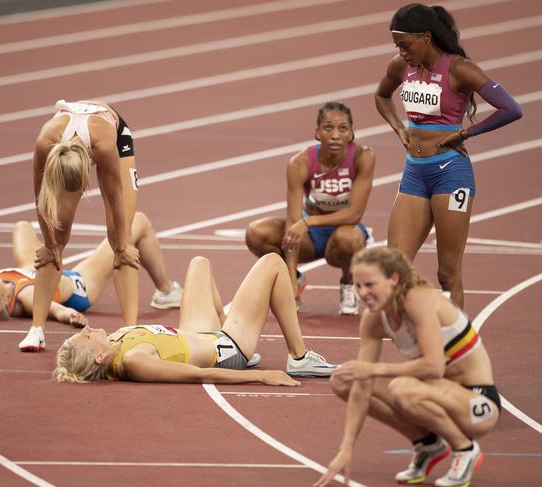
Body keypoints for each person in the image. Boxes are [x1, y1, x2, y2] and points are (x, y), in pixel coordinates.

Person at [375, 3, 522, 308]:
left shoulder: (459, 69)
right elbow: (381, 95)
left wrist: (465, 133)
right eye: (396, 45)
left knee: (447, 273)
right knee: (393, 267)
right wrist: (399, 128)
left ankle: (457, 344)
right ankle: (413, 336)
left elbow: (511, 108)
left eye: (405, 44)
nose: (401, 52)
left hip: (450, 174)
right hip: (414, 173)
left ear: (426, 37)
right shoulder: (401, 67)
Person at [314, 247, 500, 487]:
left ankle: (465, 448)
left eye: (370, 284)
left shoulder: (417, 299)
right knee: (344, 379)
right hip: (433, 393)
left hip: (478, 404)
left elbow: (434, 367)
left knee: (402, 387)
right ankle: (427, 444)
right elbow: (362, 382)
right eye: (358, 286)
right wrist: (346, 447)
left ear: (393, 279)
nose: (363, 293)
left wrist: (374, 370)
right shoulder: (374, 318)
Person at [0, 216, 182, 348]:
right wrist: (71, 317)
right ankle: (166, 290)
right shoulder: (27, 296)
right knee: (138, 224)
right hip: (79, 284)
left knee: (22, 226)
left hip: (33, 267)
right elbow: (56, 310)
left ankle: (166, 289)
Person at [54, 253, 339, 384]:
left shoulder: (113, 341)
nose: (89, 328)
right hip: (226, 349)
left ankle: (234, 323)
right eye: (87, 336)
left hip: (197, 333)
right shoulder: (133, 361)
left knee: (199, 263)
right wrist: (261, 376)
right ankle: (299, 358)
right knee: (273, 263)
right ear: (99, 358)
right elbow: (200, 375)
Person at [25, 99, 141, 351]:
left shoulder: (105, 145)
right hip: (71, 139)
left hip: (115, 134)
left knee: (121, 238)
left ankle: (130, 332)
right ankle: (36, 329)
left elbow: (114, 197)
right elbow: (40, 200)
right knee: (57, 232)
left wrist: (122, 244)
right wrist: (48, 244)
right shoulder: (45, 142)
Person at [246, 102, 375, 315]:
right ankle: (295, 279)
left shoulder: (363, 157)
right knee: (256, 233)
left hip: (344, 233)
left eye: (342, 129)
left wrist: (309, 222)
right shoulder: (300, 163)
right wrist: (289, 284)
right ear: (317, 133)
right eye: (328, 128)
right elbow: (292, 224)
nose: (335, 135)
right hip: (311, 238)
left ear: (351, 133)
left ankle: (347, 282)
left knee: (348, 239)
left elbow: (355, 213)